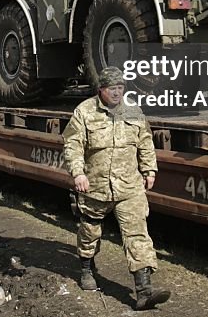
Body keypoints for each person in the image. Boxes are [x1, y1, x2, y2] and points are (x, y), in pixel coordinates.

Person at [62, 66, 170, 310]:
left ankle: (144, 292)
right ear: (101, 89)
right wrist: (78, 173)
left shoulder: (134, 111)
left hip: (129, 186)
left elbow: (145, 142)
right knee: (89, 233)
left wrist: (149, 169)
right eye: (112, 89)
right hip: (95, 186)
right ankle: (87, 269)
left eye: (121, 88)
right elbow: (73, 144)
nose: (117, 93)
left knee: (137, 235)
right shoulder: (84, 112)